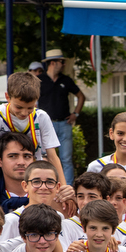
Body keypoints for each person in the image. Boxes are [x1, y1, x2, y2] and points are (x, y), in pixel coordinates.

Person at [0, 72, 62, 196]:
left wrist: (63, 187)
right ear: (7, 97)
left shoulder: (41, 116)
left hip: (33, 168)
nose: (24, 113)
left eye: (30, 108)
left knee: (59, 198)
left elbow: (52, 155)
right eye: (19, 107)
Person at [37, 50, 84, 185]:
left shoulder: (66, 80)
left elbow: (81, 96)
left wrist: (76, 114)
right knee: (44, 158)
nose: (63, 65)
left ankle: (67, 187)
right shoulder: (40, 80)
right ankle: (45, 184)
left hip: (64, 123)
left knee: (66, 159)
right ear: (53, 63)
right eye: (61, 62)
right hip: (46, 125)